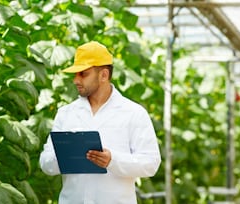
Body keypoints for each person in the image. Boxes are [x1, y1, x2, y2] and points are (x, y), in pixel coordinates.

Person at [39, 41, 161, 204]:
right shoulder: (66, 114)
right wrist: (65, 156)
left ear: (103, 75)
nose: (76, 80)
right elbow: (45, 163)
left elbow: (151, 163)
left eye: (83, 74)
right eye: (75, 74)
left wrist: (112, 160)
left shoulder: (134, 113)